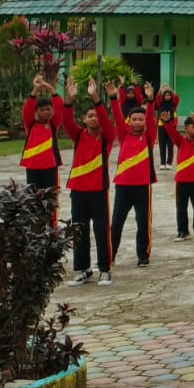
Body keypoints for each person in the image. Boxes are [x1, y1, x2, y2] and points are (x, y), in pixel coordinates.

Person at [63, 74, 114, 285]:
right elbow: (65, 120)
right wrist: (69, 99)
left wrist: (96, 98)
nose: (93, 118)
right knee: (80, 232)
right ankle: (83, 270)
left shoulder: (106, 137)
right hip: (78, 192)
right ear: (84, 120)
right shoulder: (78, 136)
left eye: (96, 116)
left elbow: (106, 120)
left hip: (98, 191)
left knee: (101, 232)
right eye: (89, 116)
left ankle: (105, 270)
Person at [109, 82, 158, 268]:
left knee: (143, 223)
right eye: (134, 119)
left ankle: (143, 256)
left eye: (141, 119)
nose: (138, 122)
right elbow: (117, 116)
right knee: (117, 222)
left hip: (142, 187)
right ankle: (110, 254)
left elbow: (152, 119)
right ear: (130, 121)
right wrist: (114, 97)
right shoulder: (123, 134)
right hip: (122, 185)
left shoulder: (149, 136)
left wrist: (151, 99)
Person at [21, 75, 64, 217]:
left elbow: (60, 107)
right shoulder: (30, 124)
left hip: (50, 168)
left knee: (50, 202)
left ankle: (51, 233)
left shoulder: (53, 124)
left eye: (48, 109)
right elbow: (27, 108)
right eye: (42, 109)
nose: (46, 112)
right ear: (36, 112)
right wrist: (36, 88)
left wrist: (51, 89)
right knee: (33, 201)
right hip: (32, 168)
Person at [163, 107, 194, 241]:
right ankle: (182, 231)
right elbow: (171, 132)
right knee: (181, 207)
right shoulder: (181, 141)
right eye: (192, 127)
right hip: (181, 181)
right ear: (186, 128)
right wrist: (167, 122)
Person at [154, 85, 179, 173]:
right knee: (162, 145)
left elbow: (176, 97)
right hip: (161, 126)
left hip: (172, 125)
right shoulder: (160, 104)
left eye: (169, 95)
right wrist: (161, 90)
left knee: (170, 144)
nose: (167, 97)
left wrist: (170, 90)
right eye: (166, 95)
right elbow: (157, 98)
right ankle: (162, 163)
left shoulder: (174, 103)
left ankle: (169, 163)